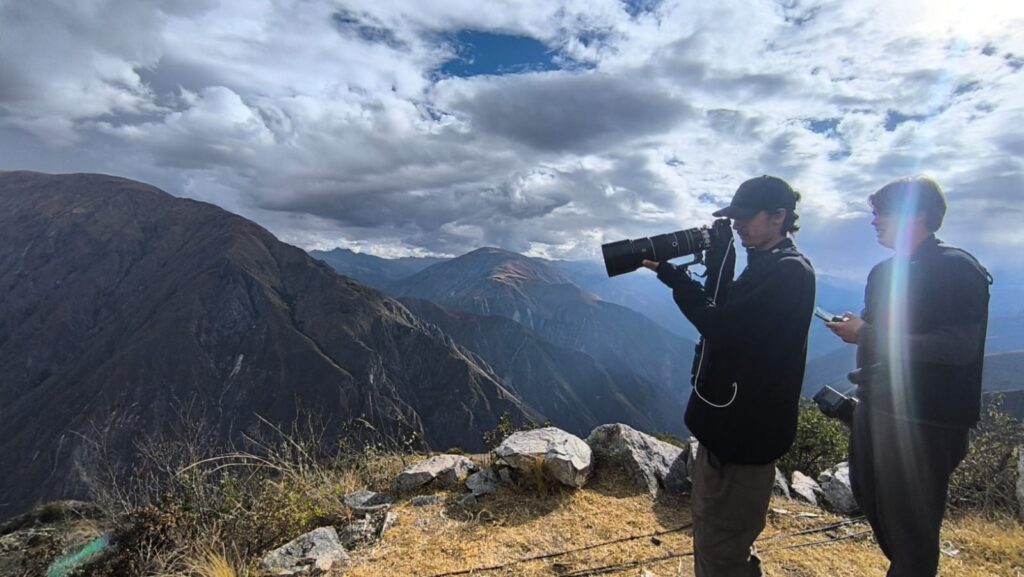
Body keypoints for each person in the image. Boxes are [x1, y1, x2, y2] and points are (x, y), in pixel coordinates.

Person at [643, 175, 815, 577]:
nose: (736, 225)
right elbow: (724, 317)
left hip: (747, 437)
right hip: (722, 429)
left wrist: (676, 279)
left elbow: (719, 326)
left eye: (744, 217)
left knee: (724, 548)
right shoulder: (766, 265)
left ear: (778, 217)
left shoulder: (789, 272)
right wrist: (714, 267)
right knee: (709, 533)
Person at [826, 176, 990, 577]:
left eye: (883, 212)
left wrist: (868, 333)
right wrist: (859, 330)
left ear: (918, 215)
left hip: (927, 421)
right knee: (872, 499)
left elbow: (958, 346)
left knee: (913, 529)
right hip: (877, 408)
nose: (874, 221)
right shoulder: (883, 273)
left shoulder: (957, 268)